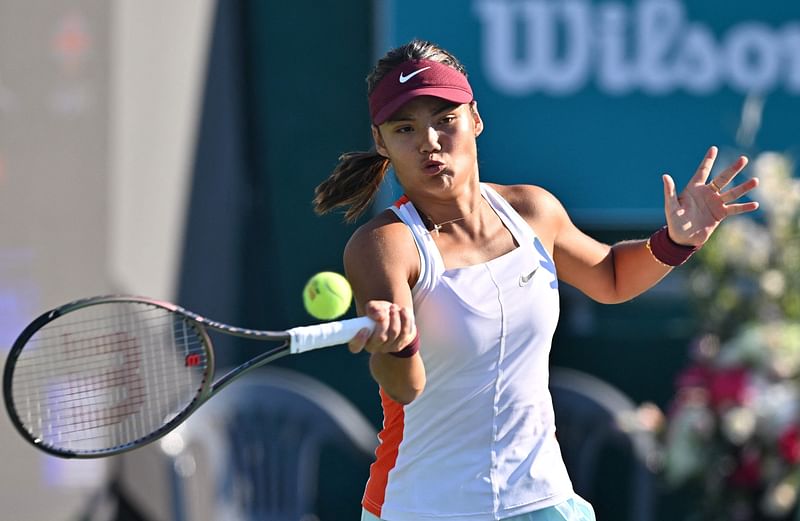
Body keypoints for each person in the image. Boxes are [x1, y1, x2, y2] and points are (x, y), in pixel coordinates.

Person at [313, 39, 759, 521]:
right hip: (423, 506)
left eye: (446, 120)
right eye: (406, 128)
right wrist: (395, 344)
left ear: (475, 119)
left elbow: (610, 276)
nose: (430, 142)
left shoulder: (532, 210)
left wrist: (676, 241)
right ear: (381, 142)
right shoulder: (384, 246)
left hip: (542, 499)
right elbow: (404, 386)